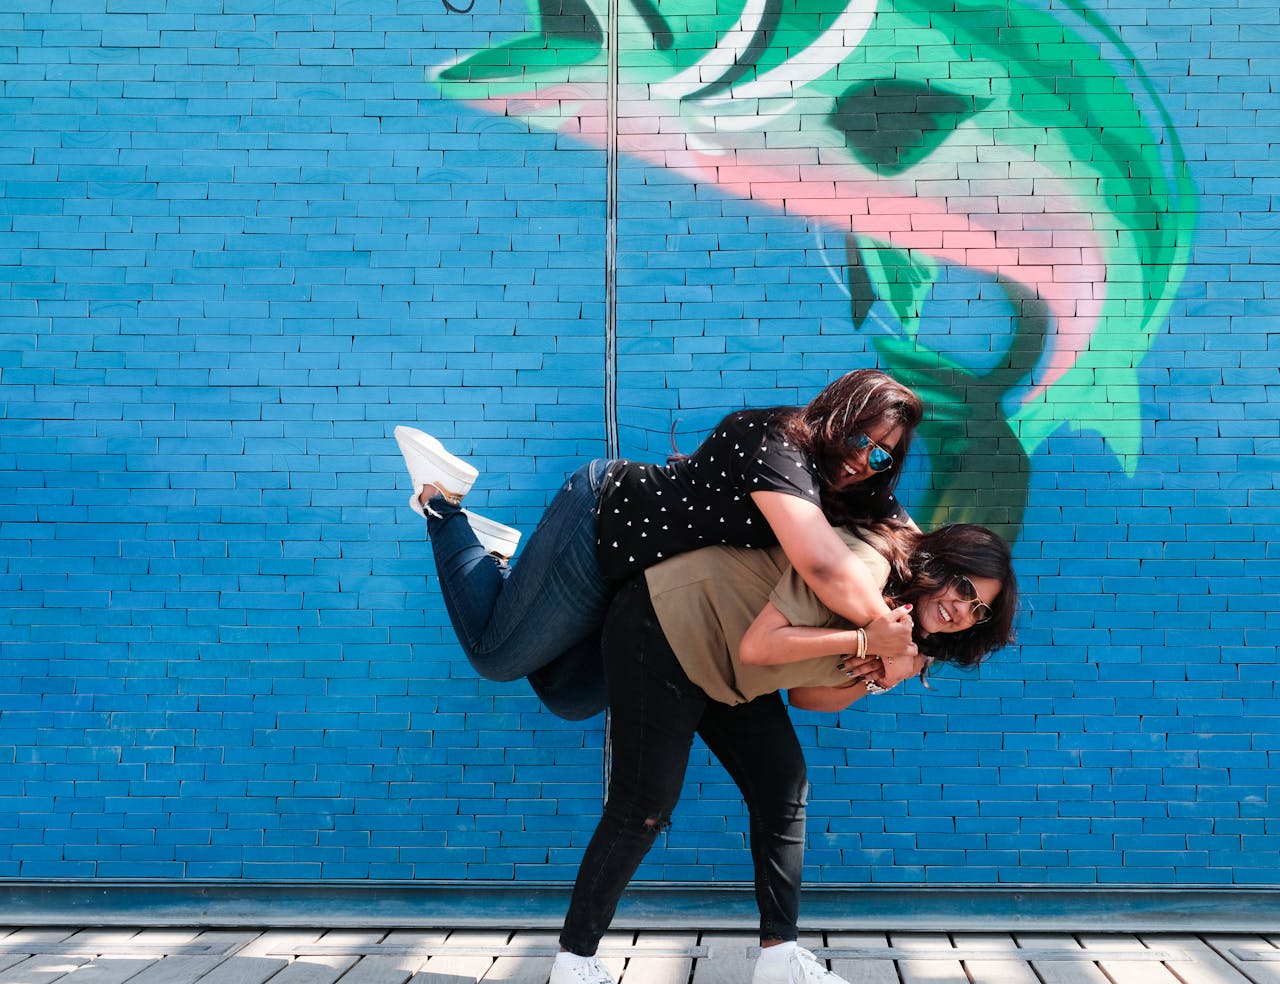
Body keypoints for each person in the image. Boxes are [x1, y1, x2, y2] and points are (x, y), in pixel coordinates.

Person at [548, 522, 1018, 984]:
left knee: (783, 787)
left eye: (977, 610)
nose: (961, 608)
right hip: (667, 625)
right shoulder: (865, 566)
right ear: (940, 564)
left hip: (725, 664)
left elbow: (806, 696)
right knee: (644, 806)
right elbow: (760, 645)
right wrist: (865, 641)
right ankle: (573, 961)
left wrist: (881, 674)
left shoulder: (900, 633)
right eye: (963, 587)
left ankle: (779, 959)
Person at [396, 369, 924, 719]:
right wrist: (885, 637)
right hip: (603, 529)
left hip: (648, 588)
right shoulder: (774, 441)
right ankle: (442, 502)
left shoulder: (859, 488)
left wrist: (918, 651)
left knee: (569, 696)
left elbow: (927, 558)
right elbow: (822, 564)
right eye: (858, 438)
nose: (863, 459)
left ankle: (498, 569)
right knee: (494, 656)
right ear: (834, 416)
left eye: (881, 455)